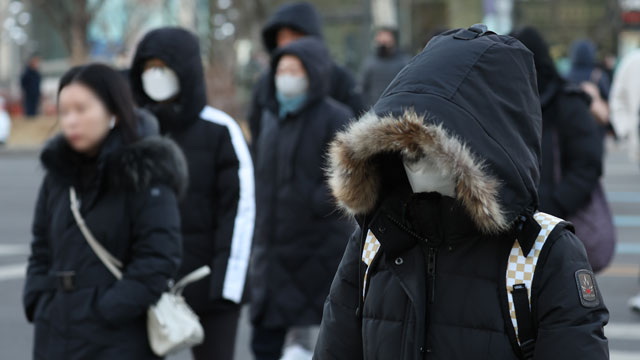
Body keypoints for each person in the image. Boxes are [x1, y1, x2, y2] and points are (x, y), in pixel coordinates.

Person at [314, 25, 609, 360]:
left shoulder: (543, 254)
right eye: (405, 150)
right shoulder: (373, 241)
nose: (416, 163)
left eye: (430, 148)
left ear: (481, 151)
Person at [22, 63, 186, 359]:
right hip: (55, 330)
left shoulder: (144, 173)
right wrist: (37, 299)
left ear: (114, 112)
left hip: (118, 339)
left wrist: (107, 310)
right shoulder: (58, 176)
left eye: (82, 109)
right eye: (64, 112)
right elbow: (41, 248)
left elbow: (159, 258)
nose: (71, 121)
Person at [129, 27, 255, 360]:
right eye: (147, 68)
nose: (154, 76)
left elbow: (239, 211)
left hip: (209, 285)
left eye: (162, 67)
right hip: (145, 286)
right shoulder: (134, 132)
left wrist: (227, 288)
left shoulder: (220, 129)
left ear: (184, 69)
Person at [249, 37, 355, 360]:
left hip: (316, 249)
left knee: (322, 340)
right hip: (272, 250)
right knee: (263, 342)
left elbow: (347, 174)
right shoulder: (270, 116)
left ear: (313, 73)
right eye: (281, 68)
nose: (287, 75)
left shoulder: (335, 115)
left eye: (295, 69)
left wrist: (313, 203)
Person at [512, 27, 614, 273]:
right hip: (515, 231)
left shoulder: (567, 102)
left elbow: (588, 165)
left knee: (562, 303)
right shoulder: (508, 103)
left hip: (561, 227)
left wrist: (553, 205)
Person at [247, 1, 365, 145]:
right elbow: (256, 130)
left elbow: (357, 129)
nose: (289, 43)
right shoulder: (267, 83)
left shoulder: (340, 78)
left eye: (295, 36)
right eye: (282, 37)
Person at [360, 27, 411, 107]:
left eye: (386, 41)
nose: (383, 43)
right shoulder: (370, 62)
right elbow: (363, 88)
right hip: (374, 109)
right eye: (380, 40)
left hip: (397, 108)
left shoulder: (404, 62)